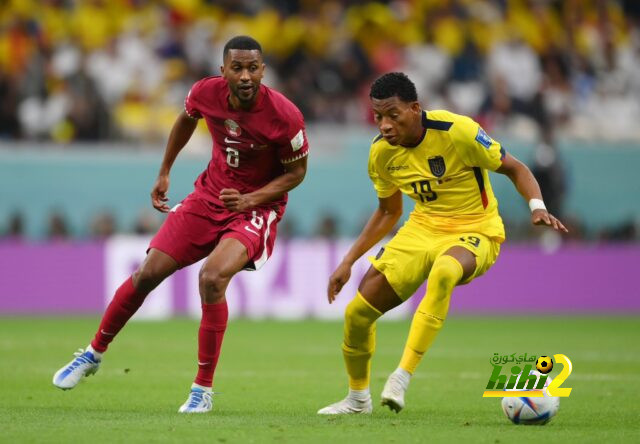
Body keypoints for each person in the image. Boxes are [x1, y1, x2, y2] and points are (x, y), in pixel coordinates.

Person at [52, 36, 309, 413]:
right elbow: (186, 120)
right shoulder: (206, 92)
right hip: (208, 196)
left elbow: (297, 173)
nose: (245, 75)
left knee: (211, 278)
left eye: (253, 68)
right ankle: (93, 353)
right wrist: (164, 171)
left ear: (263, 70)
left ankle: (202, 390)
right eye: (237, 67)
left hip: (256, 209)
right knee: (146, 274)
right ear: (223, 71)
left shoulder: (285, 116)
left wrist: (251, 200)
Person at [318, 72, 566, 415]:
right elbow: (389, 212)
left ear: (415, 108)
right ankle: (358, 399)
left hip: (476, 228)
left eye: (393, 115)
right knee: (357, 314)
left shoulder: (457, 131)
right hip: (421, 229)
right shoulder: (381, 155)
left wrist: (537, 208)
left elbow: (516, 168)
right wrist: (348, 261)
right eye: (378, 117)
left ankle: (401, 377)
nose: (385, 125)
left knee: (445, 270)